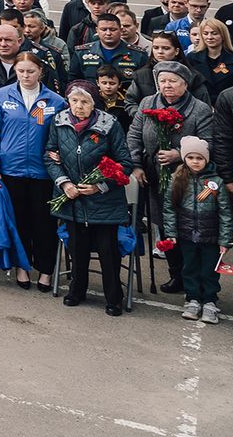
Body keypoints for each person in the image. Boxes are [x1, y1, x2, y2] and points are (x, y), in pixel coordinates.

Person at [47, 79, 135, 315]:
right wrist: (64, 183)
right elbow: (50, 156)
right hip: (73, 199)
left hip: (104, 202)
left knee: (108, 251)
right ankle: (77, 291)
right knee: (77, 248)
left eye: (85, 102)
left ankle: (114, 298)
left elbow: (125, 163)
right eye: (74, 101)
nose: (79, 106)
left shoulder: (110, 124)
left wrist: (100, 186)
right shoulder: (59, 121)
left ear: (94, 103)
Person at [127, 60, 215, 297]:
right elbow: (134, 135)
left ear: (185, 84)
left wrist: (179, 153)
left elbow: (208, 142)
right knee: (164, 224)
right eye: (163, 81)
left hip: (187, 177)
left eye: (173, 81)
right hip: (154, 175)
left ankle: (192, 277)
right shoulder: (147, 103)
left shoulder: (199, 109)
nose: (167, 85)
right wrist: (136, 165)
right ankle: (176, 273)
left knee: (186, 226)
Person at [0, 51, 58, 291]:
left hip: (43, 172)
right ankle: (22, 267)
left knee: (44, 224)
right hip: (10, 170)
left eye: (31, 71)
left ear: (40, 72)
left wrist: (58, 154)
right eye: (21, 71)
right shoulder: (1, 96)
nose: (26, 76)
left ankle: (46, 270)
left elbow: (62, 135)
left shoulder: (56, 101)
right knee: (19, 222)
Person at [161, 136, 233, 324]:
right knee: (190, 268)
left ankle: (210, 301)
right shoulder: (177, 179)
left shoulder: (216, 182)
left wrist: (225, 240)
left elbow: (226, 212)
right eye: (191, 157)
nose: (195, 161)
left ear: (206, 159)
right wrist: (171, 233)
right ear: (184, 158)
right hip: (187, 234)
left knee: (210, 270)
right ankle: (192, 299)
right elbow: (169, 208)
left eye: (199, 158)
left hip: (211, 236)